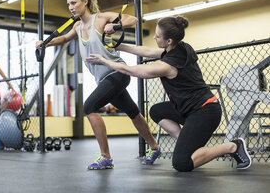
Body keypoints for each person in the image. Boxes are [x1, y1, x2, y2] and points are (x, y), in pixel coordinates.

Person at [86, 16, 252, 172]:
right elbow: (146, 51)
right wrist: (117, 46)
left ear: (169, 40)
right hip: (188, 109)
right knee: (156, 111)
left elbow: (129, 70)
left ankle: (233, 146)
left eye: (158, 36)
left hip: (205, 112)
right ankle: (186, 143)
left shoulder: (167, 66)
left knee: (182, 164)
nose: (155, 39)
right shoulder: (181, 47)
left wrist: (103, 60)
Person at [35, 0, 160, 170]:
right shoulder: (77, 26)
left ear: (85, 2)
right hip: (103, 79)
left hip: (118, 72)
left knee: (89, 106)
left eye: (74, 3)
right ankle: (154, 147)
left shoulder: (100, 19)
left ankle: (106, 157)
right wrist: (44, 43)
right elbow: (63, 38)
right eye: (68, 4)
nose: (70, 7)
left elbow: (132, 19)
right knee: (132, 111)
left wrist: (114, 25)